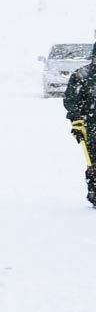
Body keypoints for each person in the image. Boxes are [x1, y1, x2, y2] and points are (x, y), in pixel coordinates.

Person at [66, 49, 96, 208]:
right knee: (94, 163)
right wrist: (76, 119)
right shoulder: (82, 75)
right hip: (91, 127)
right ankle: (94, 192)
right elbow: (71, 100)